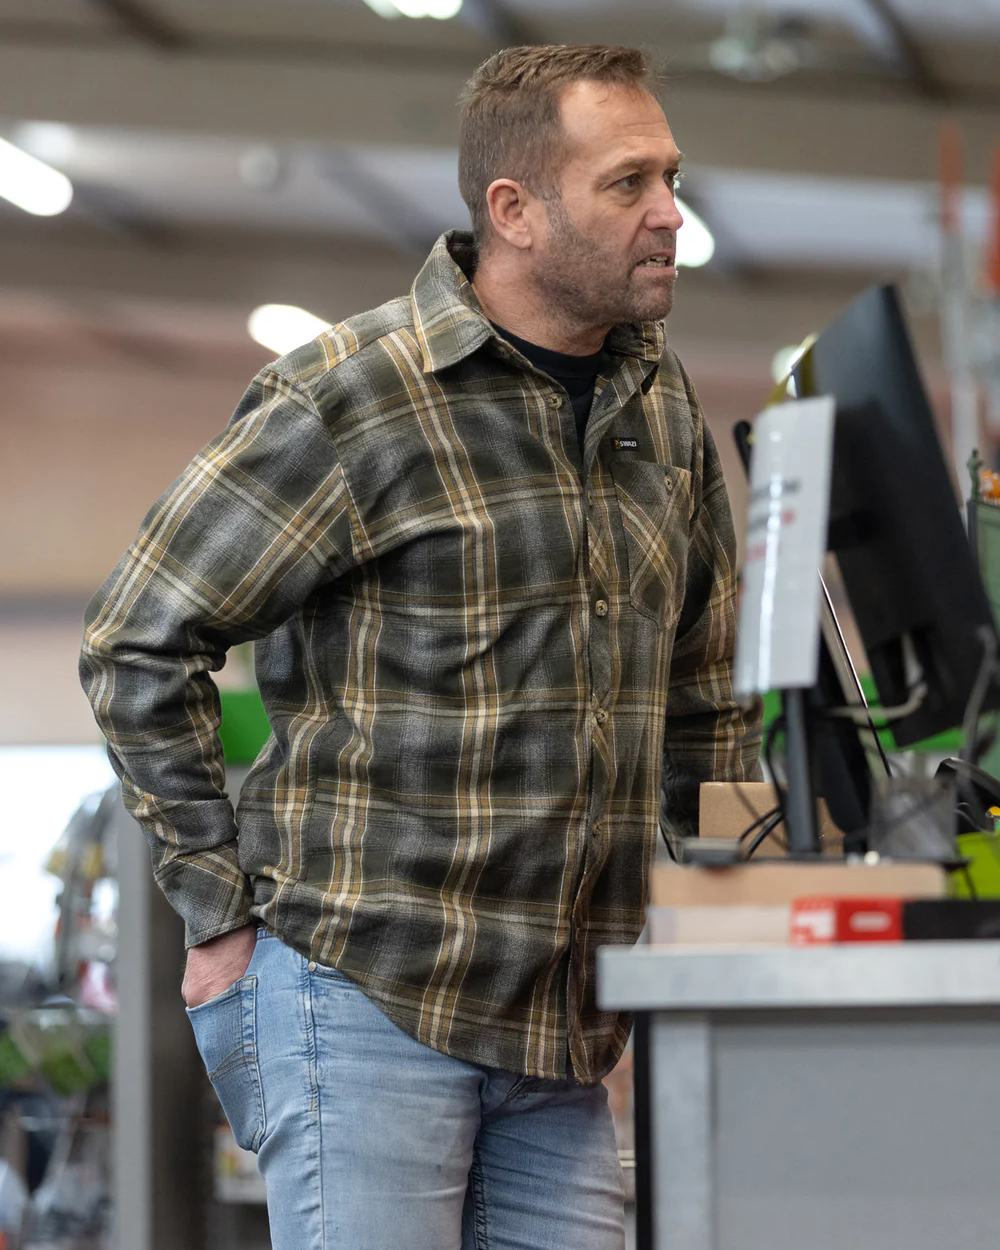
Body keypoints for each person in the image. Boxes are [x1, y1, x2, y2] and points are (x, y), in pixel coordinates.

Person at [80, 43, 760, 1250]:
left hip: (565, 1039)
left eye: (671, 175)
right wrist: (216, 913)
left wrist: (730, 928)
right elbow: (138, 639)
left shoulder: (657, 407)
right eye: (627, 183)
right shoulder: (352, 397)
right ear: (515, 211)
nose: (669, 213)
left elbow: (703, 697)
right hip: (363, 999)